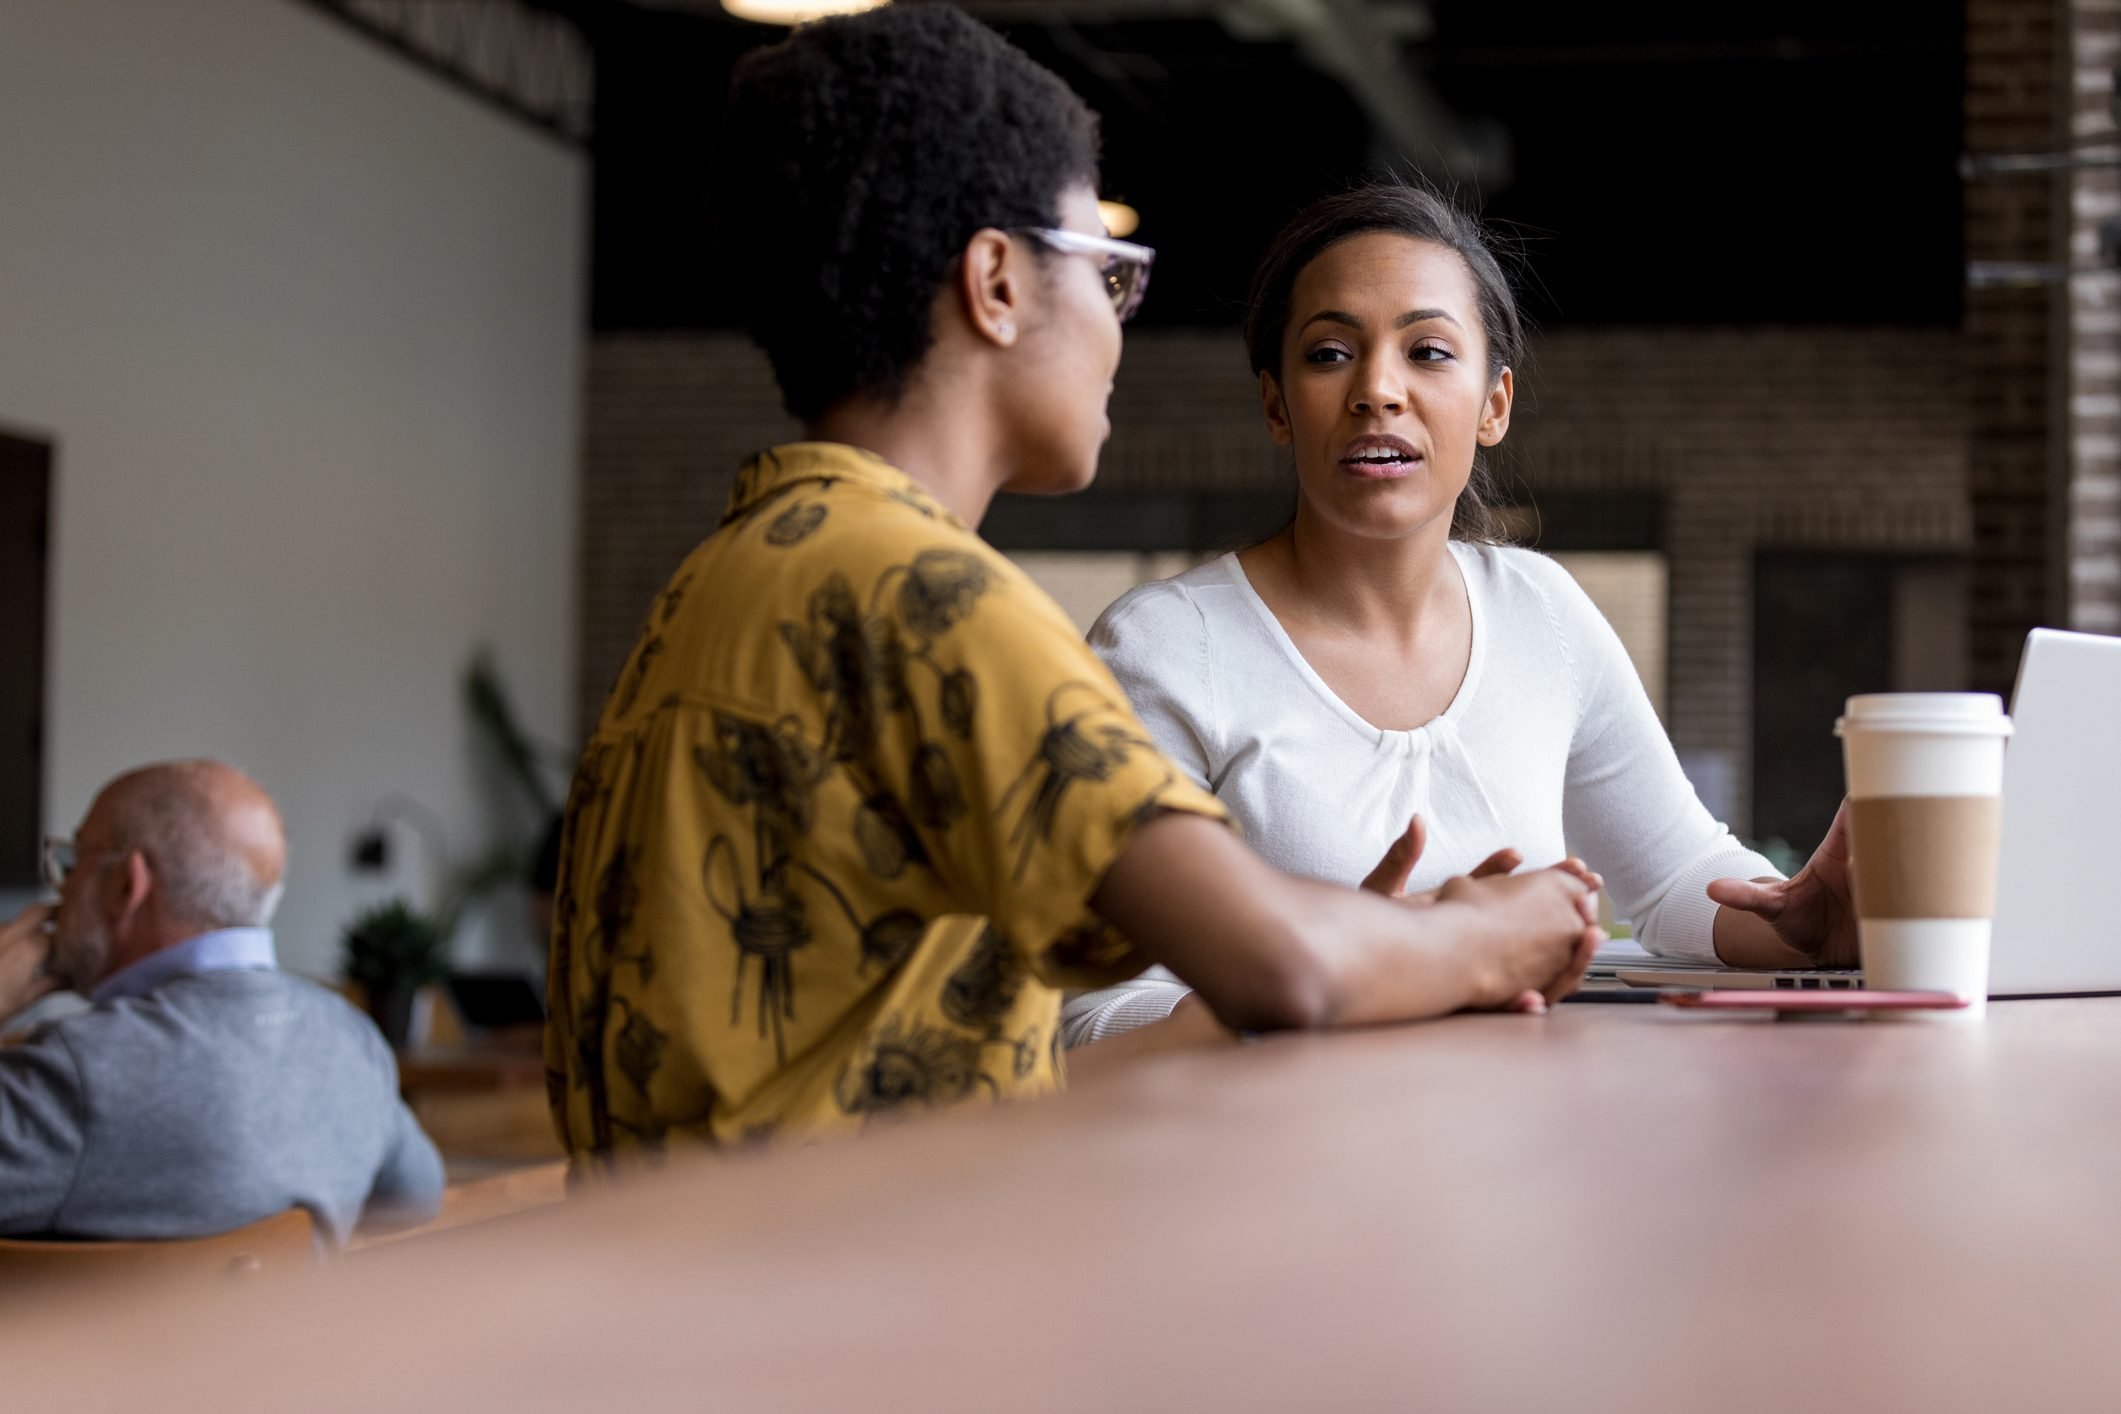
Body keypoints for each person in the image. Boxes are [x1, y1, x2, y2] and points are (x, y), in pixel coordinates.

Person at [544, 6, 1605, 1162]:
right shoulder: (928, 599)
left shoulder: (731, 573)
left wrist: (1373, 948)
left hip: (692, 1283)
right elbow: (1284, 966)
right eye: (1106, 270)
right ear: (997, 283)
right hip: (841, 1293)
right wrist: (1488, 936)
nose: (1114, 326)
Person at [1063, 184, 1858, 1050]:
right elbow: (1094, 1020)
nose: (1377, 389)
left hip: (1508, 1150)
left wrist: (1796, 925)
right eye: (1329, 353)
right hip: (1272, 1163)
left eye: (1429, 352)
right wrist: (1352, 969)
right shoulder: (1167, 648)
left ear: (1493, 404)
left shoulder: (1540, 611)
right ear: (1276, 405)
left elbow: (1673, 878)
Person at [0, 760, 444, 1246]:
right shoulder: (351, 1039)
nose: (59, 890)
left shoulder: (79, 1075)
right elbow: (417, 1198)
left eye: (73, 860)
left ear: (127, 885)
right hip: (286, 1324)